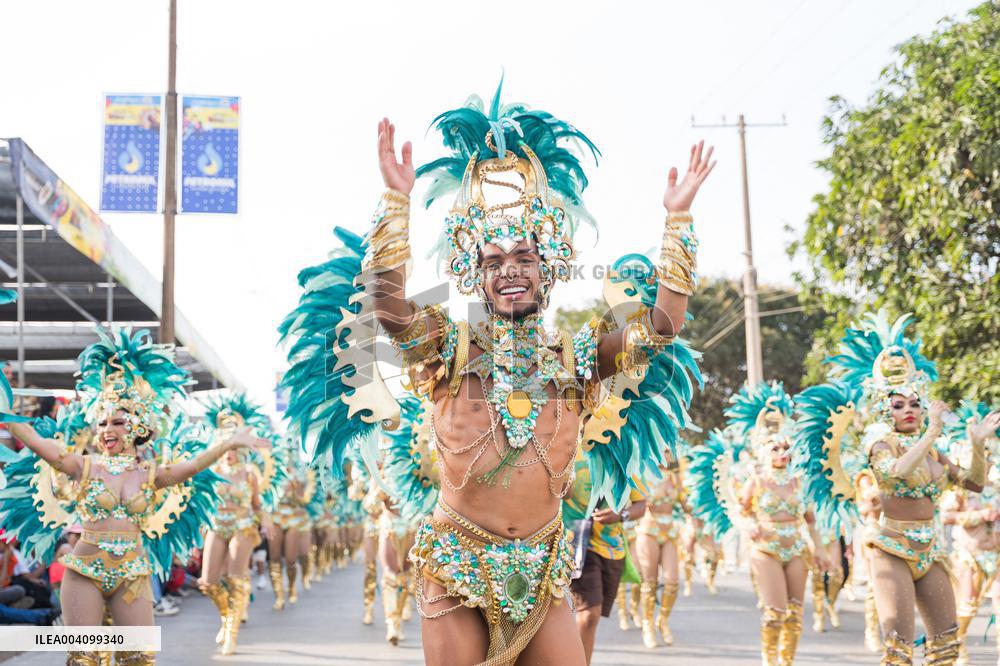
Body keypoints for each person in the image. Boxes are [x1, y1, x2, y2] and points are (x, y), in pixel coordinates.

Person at [278, 81, 709, 665]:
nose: (511, 272)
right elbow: (389, 308)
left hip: (544, 566)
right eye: (494, 261)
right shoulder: (448, 349)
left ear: (546, 268)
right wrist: (396, 204)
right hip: (458, 563)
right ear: (474, 274)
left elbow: (661, 326)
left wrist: (677, 220)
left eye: (524, 259)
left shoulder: (577, 357)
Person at [0, 327, 254, 665]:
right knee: (84, 658)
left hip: (132, 575)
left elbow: (192, 466)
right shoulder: (83, 466)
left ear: (137, 426)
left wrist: (229, 443)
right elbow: (35, 442)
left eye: (117, 422)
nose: (107, 429)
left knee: (138, 658)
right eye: (102, 422)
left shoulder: (152, 475)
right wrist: (5, 409)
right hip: (85, 571)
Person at [735, 386, 820, 666]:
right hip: (766, 549)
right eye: (776, 447)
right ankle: (769, 661)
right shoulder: (756, 481)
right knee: (775, 613)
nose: (782, 452)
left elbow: (810, 519)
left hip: (796, 548)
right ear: (764, 450)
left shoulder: (800, 482)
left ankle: (787, 662)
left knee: (795, 614)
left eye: (786, 447)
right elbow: (740, 511)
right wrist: (748, 526)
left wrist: (820, 550)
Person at [197, 394, 274, 655]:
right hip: (217, 525)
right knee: (208, 582)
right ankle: (227, 615)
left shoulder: (249, 473)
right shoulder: (212, 470)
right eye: (225, 447)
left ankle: (231, 632)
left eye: (233, 448)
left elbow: (256, 504)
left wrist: (265, 522)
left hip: (242, 524)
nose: (229, 454)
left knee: (236, 578)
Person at [564, 450, 647, 662]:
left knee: (592, 615)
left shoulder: (624, 456)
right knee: (589, 613)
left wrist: (621, 515)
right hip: (576, 544)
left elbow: (640, 505)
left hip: (612, 549)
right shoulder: (570, 449)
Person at [940, 401, 1000, 665]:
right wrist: (978, 516)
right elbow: (947, 516)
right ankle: (958, 646)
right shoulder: (962, 487)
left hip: (996, 553)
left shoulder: (997, 485)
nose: (988, 461)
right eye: (983, 455)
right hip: (969, 554)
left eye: (990, 455)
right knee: (967, 606)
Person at [634, 461, 681, 648]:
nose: (665, 455)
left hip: (669, 531)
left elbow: (686, 505)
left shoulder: (675, 478)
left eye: (668, 451)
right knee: (650, 582)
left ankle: (662, 621)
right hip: (649, 530)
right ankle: (647, 625)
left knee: (672, 582)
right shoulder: (643, 475)